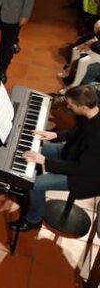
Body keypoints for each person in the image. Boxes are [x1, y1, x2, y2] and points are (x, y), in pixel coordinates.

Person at [10, 85, 100, 231]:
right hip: (73, 154)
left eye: (71, 106)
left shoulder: (97, 137)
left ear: (83, 107)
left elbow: (79, 168)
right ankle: (23, 178)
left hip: (85, 177)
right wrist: (55, 135)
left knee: (37, 184)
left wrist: (44, 161)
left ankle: (34, 219)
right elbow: (76, 133)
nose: (68, 108)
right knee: (32, 147)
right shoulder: (90, 113)